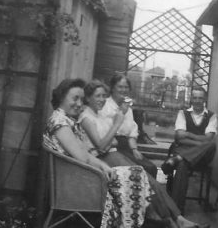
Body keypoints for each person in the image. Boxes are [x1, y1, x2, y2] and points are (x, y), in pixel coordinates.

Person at [78, 80, 209, 228]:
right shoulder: (86, 117)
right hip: (104, 159)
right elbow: (102, 146)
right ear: (88, 98)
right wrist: (116, 124)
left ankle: (176, 219)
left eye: (103, 96)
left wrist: (110, 139)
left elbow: (112, 141)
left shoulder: (98, 114)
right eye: (98, 96)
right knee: (147, 181)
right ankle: (174, 221)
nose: (102, 99)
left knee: (150, 180)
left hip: (112, 153)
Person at [43, 78, 153, 228]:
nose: (79, 104)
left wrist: (104, 166)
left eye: (81, 99)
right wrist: (102, 168)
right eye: (75, 98)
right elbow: (82, 156)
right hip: (76, 183)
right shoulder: (59, 122)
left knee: (137, 172)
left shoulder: (66, 119)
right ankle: (128, 223)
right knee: (134, 175)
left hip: (82, 176)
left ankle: (130, 222)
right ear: (62, 97)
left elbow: (84, 154)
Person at [161, 86, 217, 213]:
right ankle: (177, 210)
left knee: (211, 145)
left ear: (205, 99)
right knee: (182, 165)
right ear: (191, 98)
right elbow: (180, 137)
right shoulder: (183, 114)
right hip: (185, 150)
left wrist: (189, 135)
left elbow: (209, 140)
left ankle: (178, 157)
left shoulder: (212, 116)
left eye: (200, 98)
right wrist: (200, 141)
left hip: (202, 158)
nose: (197, 101)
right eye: (195, 97)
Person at [99, 74, 158, 178]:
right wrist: (121, 112)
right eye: (120, 87)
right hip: (112, 145)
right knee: (140, 171)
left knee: (151, 168)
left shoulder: (128, 108)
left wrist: (134, 149)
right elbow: (105, 130)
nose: (123, 90)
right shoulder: (105, 105)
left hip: (127, 146)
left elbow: (131, 132)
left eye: (126, 87)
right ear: (112, 88)